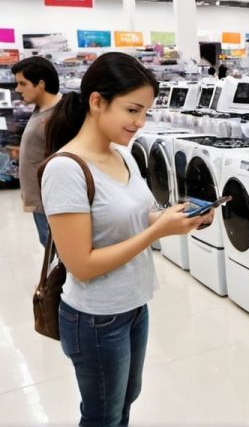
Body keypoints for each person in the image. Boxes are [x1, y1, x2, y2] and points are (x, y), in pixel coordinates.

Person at [40, 52, 213, 426]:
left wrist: (178, 217)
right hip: (96, 317)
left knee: (124, 404)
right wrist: (156, 230)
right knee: (103, 415)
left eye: (145, 112)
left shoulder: (123, 156)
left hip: (135, 304)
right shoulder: (65, 169)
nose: (140, 122)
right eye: (133, 110)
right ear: (97, 101)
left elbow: (141, 214)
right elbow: (81, 265)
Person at [12, 56, 62, 246]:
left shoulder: (59, 115)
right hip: (39, 201)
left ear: (41, 83)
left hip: (51, 203)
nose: (17, 90)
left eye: (22, 83)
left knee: (59, 254)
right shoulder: (41, 109)